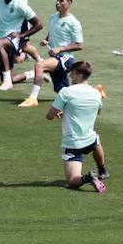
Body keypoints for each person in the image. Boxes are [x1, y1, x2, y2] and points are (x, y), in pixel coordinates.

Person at [46, 61, 107, 192]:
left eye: (72, 74)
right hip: (89, 140)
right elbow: (97, 112)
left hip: (72, 144)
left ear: (79, 75)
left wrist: (62, 110)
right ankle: (102, 170)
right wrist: (68, 110)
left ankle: (88, 178)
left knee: (73, 182)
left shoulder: (66, 92)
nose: (70, 77)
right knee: (96, 140)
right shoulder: (96, 93)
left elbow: (49, 116)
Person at [16, 0, 83, 107]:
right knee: (62, 92)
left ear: (69, 2)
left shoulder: (73, 22)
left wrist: (60, 49)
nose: (57, 3)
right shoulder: (53, 17)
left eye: (61, 1)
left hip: (65, 58)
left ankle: (33, 98)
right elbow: (53, 30)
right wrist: (47, 39)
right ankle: (96, 92)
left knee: (39, 65)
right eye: (57, 0)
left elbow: (79, 45)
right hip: (55, 57)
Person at [0, 0, 44, 92]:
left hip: (14, 40)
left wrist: (21, 36)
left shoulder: (20, 5)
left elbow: (39, 24)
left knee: (0, 44)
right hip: (0, 40)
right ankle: (32, 74)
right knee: (7, 77)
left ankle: (7, 82)